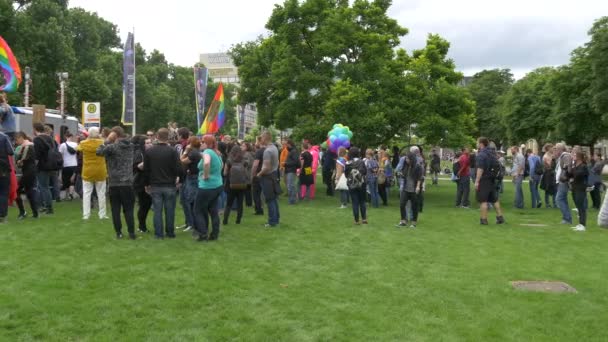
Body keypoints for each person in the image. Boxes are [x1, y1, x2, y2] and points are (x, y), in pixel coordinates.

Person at [96, 127, 135, 239]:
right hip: (127, 183)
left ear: (114, 134)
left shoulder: (112, 147)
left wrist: (107, 140)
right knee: (128, 209)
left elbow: (98, 152)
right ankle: (131, 233)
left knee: (115, 210)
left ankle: (119, 233)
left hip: (114, 183)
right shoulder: (131, 146)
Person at [144, 128, 181, 239]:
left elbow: (146, 169)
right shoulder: (172, 151)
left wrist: (146, 184)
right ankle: (170, 232)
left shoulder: (149, 151)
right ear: (168, 137)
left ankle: (159, 234)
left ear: (157, 136)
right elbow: (178, 168)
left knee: (157, 211)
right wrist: (180, 179)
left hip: (155, 185)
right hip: (169, 184)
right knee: (170, 211)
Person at [193, 134, 224, 241]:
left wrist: (206, 176)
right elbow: (221, 166)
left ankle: (203, 234)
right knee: (213, 210)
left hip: (207, 186)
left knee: (198, 210)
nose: (200, 143)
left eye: (202, 142)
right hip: (218, 185)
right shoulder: (217, 152)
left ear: (207, 143)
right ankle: (214, 234)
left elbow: (206, 163)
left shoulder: (207, 152)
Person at [77, 127, 107, 220]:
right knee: (101, 193)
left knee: (86, 193)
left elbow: (77, 149)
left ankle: (86, 215)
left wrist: (87, 138)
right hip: (100, 170)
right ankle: (102, 214)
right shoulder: (102, 142)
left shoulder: (83, 143)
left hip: (87, 170)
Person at [474, 137, 505, 225]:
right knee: (494, 199)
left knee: (483, 200)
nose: (477, 144)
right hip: (492, 179)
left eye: (477, 142)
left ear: (481, 143)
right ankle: (500, 217)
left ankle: (483, 220)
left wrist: (477, 181)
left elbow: (480, 169)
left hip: (484, 180)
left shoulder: (481, 154)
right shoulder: (492, 153)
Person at [33, 122, 61, 214]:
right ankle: (47, 206)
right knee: (46, 187)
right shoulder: (50, 138)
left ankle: (48, 208)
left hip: (42, 166)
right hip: (52, 166)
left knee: (43, 187)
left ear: (35, 129)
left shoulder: (37, 139)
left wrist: (34, 166)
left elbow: (37, 155)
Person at [257, 131, 281, 227]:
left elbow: (266, 167)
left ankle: (272, 222)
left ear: (265, 138)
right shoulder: (274, 148)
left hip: (267, 177)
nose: (260, 139)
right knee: (273, 199)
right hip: (274, 175)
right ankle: (276, 219)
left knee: (269, 200)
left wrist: (259, 174)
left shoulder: (267, 151)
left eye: (261, 137)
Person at [179, 136, 202, 232]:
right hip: (192, 177)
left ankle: (192, 224)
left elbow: (182, 160)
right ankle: (189, 223)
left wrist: (185, 151)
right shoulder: (197, 152)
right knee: (188, 200)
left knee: (190, 201)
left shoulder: (193, 153)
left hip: (192, 178)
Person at [14, 132, 38, 220]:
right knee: (29, 192)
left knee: (17, 190)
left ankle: (22, 212)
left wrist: (19, 161)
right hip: (29, 171)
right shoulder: (26, 146)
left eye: (16, 140)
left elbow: (21, 160)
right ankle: (35, 213)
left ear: (21, 138)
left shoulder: (27, 146)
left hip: (29, 172)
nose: (16, 142)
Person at [223, 145, 249, 225]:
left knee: (229, 203)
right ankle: (238, 220)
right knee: (240, 203)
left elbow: (225, 173)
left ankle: (225, 220)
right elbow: (245, 172)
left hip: (231, 184)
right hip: (241, 185)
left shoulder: (229, 160)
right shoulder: (244, 161)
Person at [396, 152, 423, 228]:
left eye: (407, 158)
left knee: (414, 206)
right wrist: (400, 174)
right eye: (406, 158)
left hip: (414, 190)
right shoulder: (406, 166)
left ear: (412, 159)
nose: (406, 160)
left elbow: (419, 178)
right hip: (406, 189)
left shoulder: (418, 167)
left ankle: (414, 222)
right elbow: (403, 174)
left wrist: (418, 187)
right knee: (402, 204)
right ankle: (403, 221)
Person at [132, 135, 151, 233]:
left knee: (147, 204)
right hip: (140, 182)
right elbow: (135, 166)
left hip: (146, 181)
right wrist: (144, 164)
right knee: (144, 204)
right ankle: (141, 226)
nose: (149, 144)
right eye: (147, 143)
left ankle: (142, 225)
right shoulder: (139, 153)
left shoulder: (147, 153)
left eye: (150, 142)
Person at [567, 150, 589, 231]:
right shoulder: (575, 165)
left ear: (578, 157)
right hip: (574, 187)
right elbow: (570, 175)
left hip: (580, 188)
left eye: (574, 155)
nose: (572, 156)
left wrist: (572, 176)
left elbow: (578, 175)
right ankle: (580, 224)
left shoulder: (583, 166)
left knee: (581, 206)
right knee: (578, 206)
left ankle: (583, 225)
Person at [345, 147, 367, 225]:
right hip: (362, 184)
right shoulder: (361, 162)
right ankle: (364, 219)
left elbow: (346, 174)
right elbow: (365, 172)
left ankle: (356, 220)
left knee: (355, 202)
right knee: (362, 201)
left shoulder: (347, 163)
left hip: (352, 184)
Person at [555, 143, 573, 224]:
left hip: (564, 181)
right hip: (562, 181)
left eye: (556, 149)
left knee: (559, 199)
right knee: (563, 199)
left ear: (560, 149)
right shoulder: (562, 156)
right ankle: (567, 218)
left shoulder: (565, 156)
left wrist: (565, 177)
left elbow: (568, 167)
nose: (555, 150)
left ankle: (567, 218)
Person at [58, 132, 78, 200]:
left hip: (66, 165)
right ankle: (70, 194)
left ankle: (67, 195)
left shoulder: (63, 145)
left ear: (66, 137)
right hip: (74, 164)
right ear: (71, 137)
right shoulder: (76, 144)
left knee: (66, 180)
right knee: (72, 181)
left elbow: (60, 155)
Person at [0, 131, 13, 223]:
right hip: (3, 167)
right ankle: (3, 216)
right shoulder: (4, 137)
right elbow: (10, 151)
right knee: (3, 192)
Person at [251, 137, 265, 215]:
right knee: (262, 192)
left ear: (259, 142)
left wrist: (253, 175)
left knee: (256, 193)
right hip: (266, 173)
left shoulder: (259, 151)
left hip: (258, 173)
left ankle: (258, 209)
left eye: (256, 141)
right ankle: (261, 207)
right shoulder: (268, 150)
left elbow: (255, 164)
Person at [540, 144, 557, 208]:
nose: (553, 149)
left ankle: (554, 203)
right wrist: (553, 160)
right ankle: (547, 203)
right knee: (547, 189)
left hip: (553, 173)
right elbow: (549, 166)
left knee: (555, 189)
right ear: (548, 148)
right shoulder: (546, 156)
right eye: (552, 148)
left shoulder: (552, 155)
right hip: (548, 174)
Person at [284, 139, 299, 205]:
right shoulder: (291, 151)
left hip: (291, 170)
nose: (285, 146)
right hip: (289, 170)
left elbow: (295, 162)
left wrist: (286, 163)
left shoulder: (294, 151)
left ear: (289, 144)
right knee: (290, 185)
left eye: (286, 144)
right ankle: (292, 200)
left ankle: (292, 200)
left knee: (291, 186)